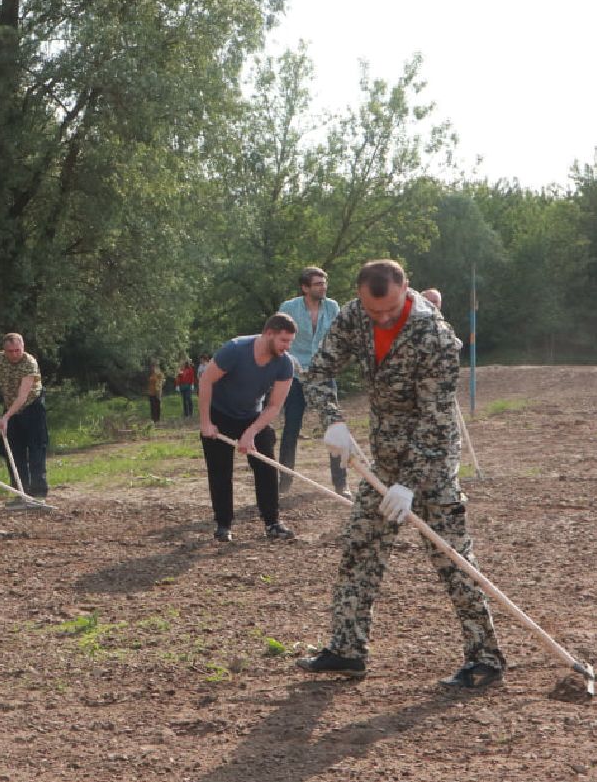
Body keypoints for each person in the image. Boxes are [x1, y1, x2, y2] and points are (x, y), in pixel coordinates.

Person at [296, 259, 505, 689]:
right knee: (360, 548)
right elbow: (317, 372)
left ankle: (485, 657)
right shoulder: (354, 316)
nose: (383, 317)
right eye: (375, 312)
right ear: (359, 297)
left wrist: (409, 485)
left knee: (451, 557)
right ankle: (348, 650)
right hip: (383, 459)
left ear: (406, 288)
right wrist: (332, 421)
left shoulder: (436, 336)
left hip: (431, 464)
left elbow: (435, 419)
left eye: (391, 309)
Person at [197, 313, 298, 543]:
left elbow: (274, 405)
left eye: (290, 342)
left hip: (252, 417)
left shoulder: (284, 364)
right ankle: (223, 525)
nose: (287, 347)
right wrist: (205, 422)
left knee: (266, 467)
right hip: (219, 414)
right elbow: (206, 381)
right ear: (269, 334)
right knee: (220, 471)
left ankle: (272, 522)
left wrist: (251, 432)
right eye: (284, 341)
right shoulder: (235, 349)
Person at [277, 266, 346, 494]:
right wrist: (288, 362)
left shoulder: (333, 306)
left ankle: (340, 483)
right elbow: (278, 338)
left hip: (323, 374)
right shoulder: (289, 308)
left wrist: (333, 362)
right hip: (296, 375)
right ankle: (284, 482)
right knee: (291, 428)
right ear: (305, 288)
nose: (323, 287)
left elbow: (338, 338)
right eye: (317, 284)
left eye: (324, 282)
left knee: (334, 426)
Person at [0, 332, 49, 501]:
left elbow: (23, 397)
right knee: (13, 451)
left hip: (32, 406)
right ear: (4, 350)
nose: (14, 354)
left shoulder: (29, 362)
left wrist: (6, 417)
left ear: (22, 347)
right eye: (10, 351)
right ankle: (20, 491)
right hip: (10, 407)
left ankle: (38, 492)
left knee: (36, 448)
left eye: (18, 350)